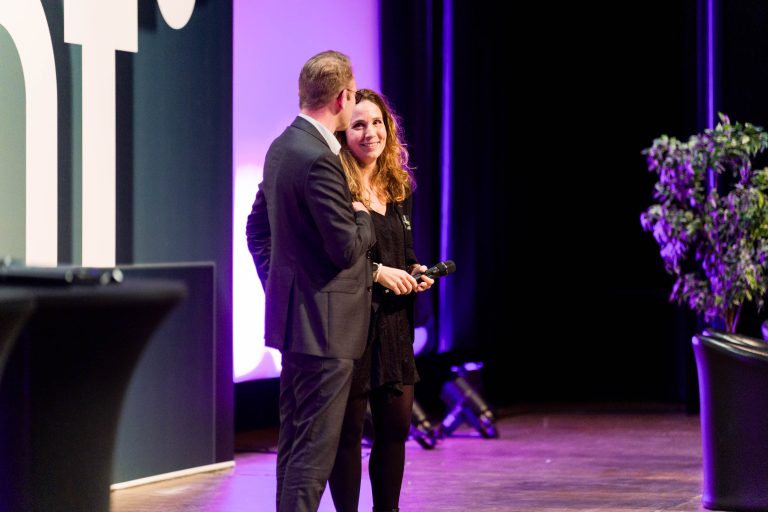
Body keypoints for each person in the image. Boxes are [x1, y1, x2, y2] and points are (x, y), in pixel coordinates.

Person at [245, 51, 376, 512]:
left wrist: (284, 284)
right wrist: (364, 217)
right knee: (313, 452)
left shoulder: (283, 145)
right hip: (325, 331)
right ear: (343, 97)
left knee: (297, 444)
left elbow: (256, 229)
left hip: (298, 323)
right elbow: (344, 247)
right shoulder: (320, 158)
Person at [328, 88, 434, 512]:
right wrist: (376, 274)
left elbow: (402, 254)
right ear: (343, 134)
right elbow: (333, 257)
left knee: (395, 430)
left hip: (393, 326)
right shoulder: (334, 184)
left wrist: (414, 272)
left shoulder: (397, 185)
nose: (370, 132)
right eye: (358, 124)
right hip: (351, 327)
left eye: (377, 123)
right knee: (348, 434)